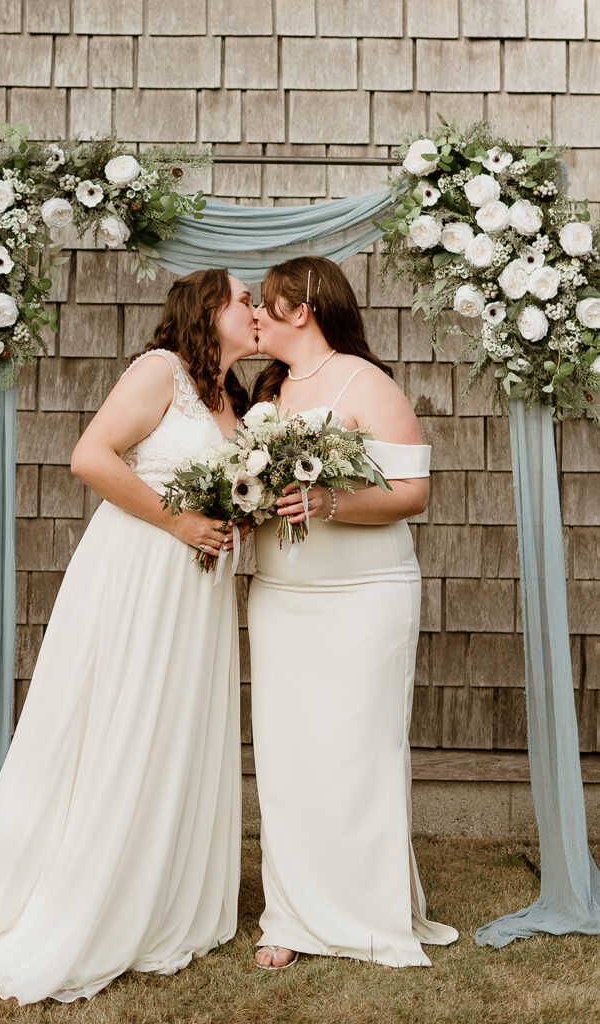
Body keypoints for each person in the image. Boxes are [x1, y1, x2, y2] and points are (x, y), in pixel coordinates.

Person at [0, 268, 257, 1004]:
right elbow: (91, 457)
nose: (256, 310)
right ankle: (85, 884)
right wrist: (177, 520)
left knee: (172, 725)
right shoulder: (158, 371)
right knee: (121, 720)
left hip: (195, 593)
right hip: (137, 570)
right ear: (207, 310)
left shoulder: (232, 396)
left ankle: (159, 883)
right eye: (244, 299)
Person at [248, 256, 458, 971]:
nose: (252, 315)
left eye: (264, 304)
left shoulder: (366, 382)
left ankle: (367, 917)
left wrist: (327, 502)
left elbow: (411, 492)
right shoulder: (266, 388)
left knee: (356, 753)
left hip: (364, 595)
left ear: (299, 309)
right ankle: (290, 915)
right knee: (286, 757)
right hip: (280, 596)